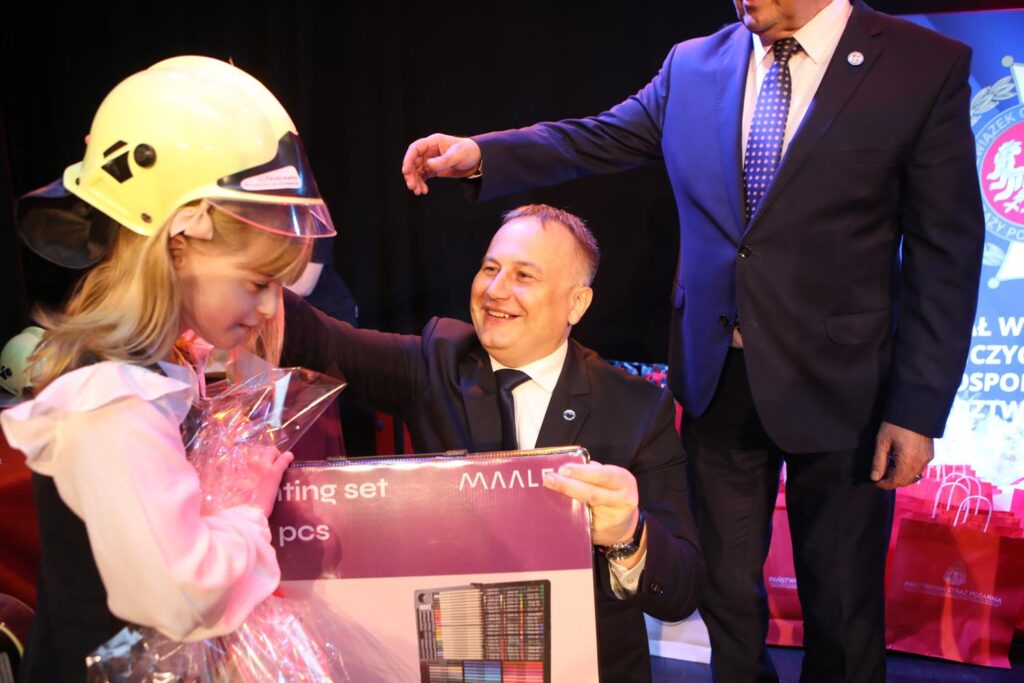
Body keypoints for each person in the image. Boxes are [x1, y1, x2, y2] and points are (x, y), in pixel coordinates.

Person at [399, 1, 986, 680]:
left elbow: (946, 251)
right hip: (718, 381)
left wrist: (916, 408)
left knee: (844, 607)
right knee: (727, 601)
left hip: (845, 391)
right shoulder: (695, 64)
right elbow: (593, 137)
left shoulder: (919, 65)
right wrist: (483, 155)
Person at [0, 56, 336, 682]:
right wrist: (245, 515)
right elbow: (183, 595)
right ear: (178, 242)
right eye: (258, 283)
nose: (271, 310)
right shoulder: (109, 399)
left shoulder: (148, 375)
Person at [282, 203, 705, 683]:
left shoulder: (636, 408)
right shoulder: (437, 362)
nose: (495, 290)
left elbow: (682, 589)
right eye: (489, 268)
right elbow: (321, 340)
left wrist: (629, 534)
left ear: (576, 303)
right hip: (458, 661)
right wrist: (238, 267)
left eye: (524, 275)